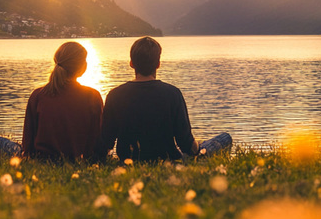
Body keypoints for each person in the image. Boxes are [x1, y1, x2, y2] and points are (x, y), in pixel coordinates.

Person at [95, 36, 231, 162]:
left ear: (131, 63)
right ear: (158, 64)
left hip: (129, 160)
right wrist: (198, 150)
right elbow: (186, 143)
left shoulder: (114, 95)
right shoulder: (172, 94)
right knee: (225, 138)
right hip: (168, 160)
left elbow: (106, 142)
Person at [0, 41, 103, 161]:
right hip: (77, 159)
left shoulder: (39, 95)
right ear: (82, 68)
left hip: (38, 160)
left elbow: (28, 143)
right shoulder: (93, 96)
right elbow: (96, 140)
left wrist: (28, 157)